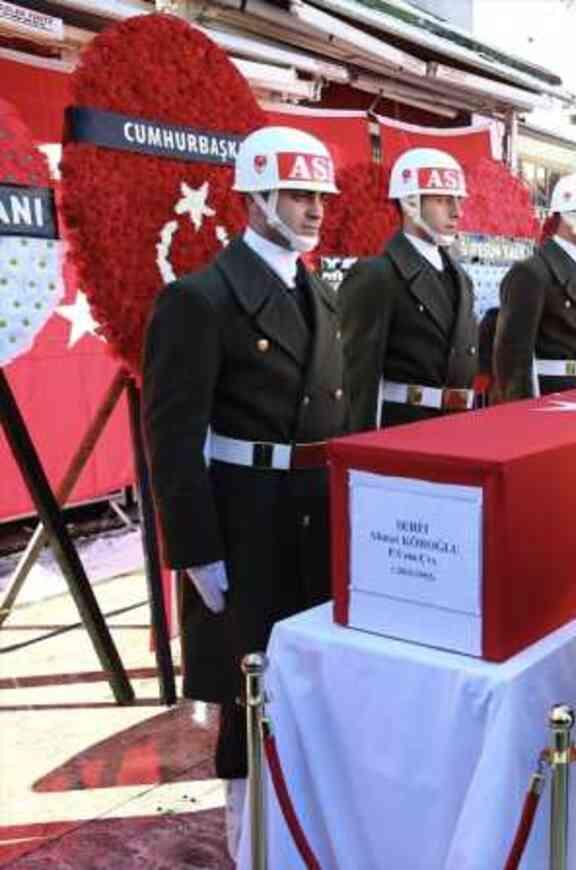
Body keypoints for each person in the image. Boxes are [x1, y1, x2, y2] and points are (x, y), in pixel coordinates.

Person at [141, 126, 347, 857]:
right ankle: (250, 844)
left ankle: (306, 831)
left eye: (320, 194)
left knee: (312, 685)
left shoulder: (316, 287)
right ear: (255, 197)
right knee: (248, 697)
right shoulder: (200, 299)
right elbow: (170, 439)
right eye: (298, 194)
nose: (315, 209)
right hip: (245, 519)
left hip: (315, 510)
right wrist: (196, 551)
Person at [339, 148, 478, 430]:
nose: (457, 212)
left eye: (457, 200)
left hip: (457, 427)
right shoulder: (378, 275)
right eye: (442, 200)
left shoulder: (460, 277)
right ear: (410, 203)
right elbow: (357, 377)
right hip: (403, 428)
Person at [492, 174, 576, 400]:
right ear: (569, 214)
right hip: (549, 397)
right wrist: (521, 413)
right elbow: (513, 359)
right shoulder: (532, 272)